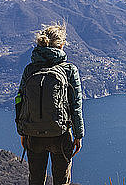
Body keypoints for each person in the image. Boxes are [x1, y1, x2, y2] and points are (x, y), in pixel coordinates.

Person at [15, 23, 85, 185]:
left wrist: (22, 131)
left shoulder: (30, 69)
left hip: (33, 133)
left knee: (36, 180)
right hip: (60, 135)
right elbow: (76, 105)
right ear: (61, 45)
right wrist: (78, 134)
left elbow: (20, 99)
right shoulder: (69, 69)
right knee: (62, 182)